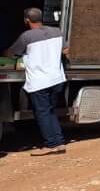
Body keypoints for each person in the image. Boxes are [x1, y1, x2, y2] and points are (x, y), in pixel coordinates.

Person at [4, 8, 68, 155]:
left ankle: (51, 144)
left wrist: (5, 52)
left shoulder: (27, 36)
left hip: (40, 81)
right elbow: (65, 50)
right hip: (57, 79)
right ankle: (59, 142)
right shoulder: (57, 31)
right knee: (50, 111)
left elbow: (12, 53)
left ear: (27, 20)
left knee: (43, 113)